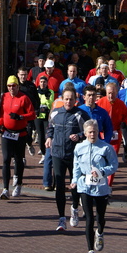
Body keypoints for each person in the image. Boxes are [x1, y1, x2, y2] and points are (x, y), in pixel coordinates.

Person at [71, 120, 118, 253]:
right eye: (90, 132)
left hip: (101, 187)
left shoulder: (106, 148)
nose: (92, 134)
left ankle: (100, 232)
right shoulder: (79, 147)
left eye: (95, 132)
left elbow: (114, 165)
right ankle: (90, 251)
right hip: (84, 185)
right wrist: (74, 180)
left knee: (100, 218)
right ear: (85, 133)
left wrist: (102, 171)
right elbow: (77, 165)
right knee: (89, 218)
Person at [45, 87, 89, 232]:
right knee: (59, 185)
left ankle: (75, 207)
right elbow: (50, 127)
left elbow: (89, 130)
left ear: (76, 100)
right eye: (66, 99)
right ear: (62, 99)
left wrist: (80, 136)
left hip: (74, 155)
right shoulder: (56, 112)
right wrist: (49, 137)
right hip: (57, 153)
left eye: (71, 99)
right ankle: (61, 218)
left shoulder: (80, 114)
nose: (68, 101)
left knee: (75, 185)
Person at [0, 76, 35, 199]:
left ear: (18, 86)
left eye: (14, 86)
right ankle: (5, 189)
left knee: (18, 159)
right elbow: (1, 114)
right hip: (7, 133)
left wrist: (21, 117)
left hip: (20, 134)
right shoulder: (5, 97)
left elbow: (32, 114)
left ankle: (18, 183)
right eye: (9, 86)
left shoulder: (24, 98)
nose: (11, 88)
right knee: (6, 159)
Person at [97, 83, 127, 187]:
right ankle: (100, 181)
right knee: (101, 158)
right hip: (103, 133)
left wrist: (124, 123)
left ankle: (109, 185)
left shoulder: (121, 104)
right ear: (106, 93)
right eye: (109, 93)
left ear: (117, 92)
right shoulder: (100, 102)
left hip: (115, 134)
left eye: (113, 93)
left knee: (112, 159)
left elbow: (126, 115)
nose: (111, 96)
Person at [17, 67, 40, 156]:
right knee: (20, 135)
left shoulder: (31, 85)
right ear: (18, 75)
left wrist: (36, 109)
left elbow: (36, 99)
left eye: (25, 74)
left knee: (29, 132)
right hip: (19, 113)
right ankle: (20, 156)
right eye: (21, 75)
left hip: (29, 113)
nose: (23, 77)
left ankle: (29, 143)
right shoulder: (16, 86)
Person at [35, 75, 55, 165]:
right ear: (39, 83)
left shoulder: (50, 92)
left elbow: (51, 105)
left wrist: (47, 100)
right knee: (40, 136)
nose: (43, 84)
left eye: (44, 82)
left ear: (47, 83)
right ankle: (43, 153)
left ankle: (47, 153)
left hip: (47, 116)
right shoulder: (36, 92)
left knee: (47, 135)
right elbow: (35, 102)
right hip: (38, 116)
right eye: (41, 82)